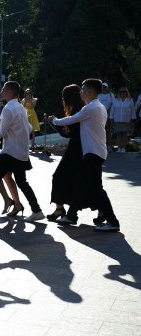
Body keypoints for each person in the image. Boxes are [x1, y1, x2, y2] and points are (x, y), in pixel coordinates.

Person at [49, 79, 121, 232]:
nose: (80, 91)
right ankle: (71, 215)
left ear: (89, 90)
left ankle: (113, 221)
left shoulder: (91, 108)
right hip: (93, 152)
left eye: (82, 89)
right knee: (81, 184)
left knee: (96, 188)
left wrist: (54, 120)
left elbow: (70, 119)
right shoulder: (98, 107)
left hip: (93, 153)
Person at [0, 81, 45, 222]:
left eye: (3, 89)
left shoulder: (8, 108)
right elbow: (30, 128)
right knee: (21, 182)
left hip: (9, 151)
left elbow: (1, 132)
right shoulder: (20, 107)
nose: (1, 91)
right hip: (20, 152)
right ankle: (37, 210)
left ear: (10, 92)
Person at [47, 84, 86, 222]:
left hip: (77, 150)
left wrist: (54, 122)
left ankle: (62, 209)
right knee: (80, 181)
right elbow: (67, 133)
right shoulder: (78, 110)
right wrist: (54, 123)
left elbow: (68, 132)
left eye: (64, 97)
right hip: (78, 148)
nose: (62, 99)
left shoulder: (78, 111)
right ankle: (62, 209)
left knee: (60, 177)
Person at [110, 87, 135, 153]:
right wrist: (111, 119)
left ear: (126, 92)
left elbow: (133, 111)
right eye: (121, 92)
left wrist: (132, 120)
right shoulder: (115, 100)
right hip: (117, 120)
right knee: (118, 135)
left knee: (124, 135)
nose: (122, 93)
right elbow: (112, 111)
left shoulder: (130, 100)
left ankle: (123, 148)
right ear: (119, 93)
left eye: (124, 91)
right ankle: (119, 148)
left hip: (127, 120)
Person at [98, 82, 115, 149]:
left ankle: (108, 146)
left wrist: (109, 111)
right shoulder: (98, 95)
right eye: (103, 87)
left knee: (108, 131)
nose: (104, 88)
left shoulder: (111, 95)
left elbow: (114, 105)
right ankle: (101, 146)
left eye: (105, 87)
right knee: (100, 132)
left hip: (109, 116)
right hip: (99, 116)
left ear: (107, 88)